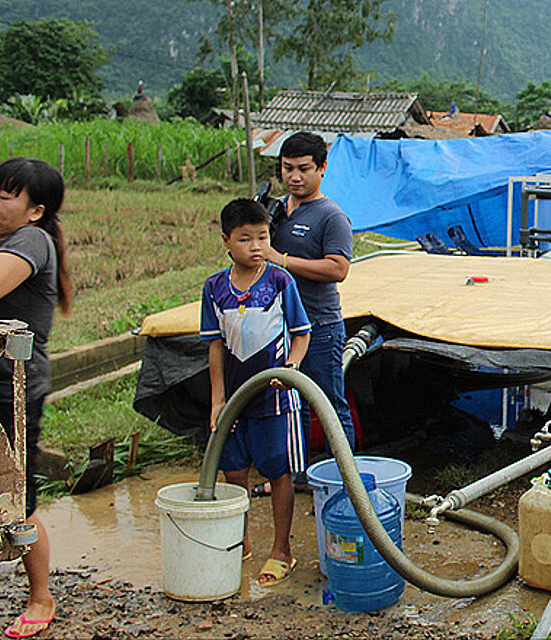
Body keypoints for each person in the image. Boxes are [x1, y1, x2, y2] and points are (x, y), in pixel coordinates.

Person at [0, 158, 73, 637]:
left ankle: (41, 597)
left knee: (15, 493)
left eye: (6, 196)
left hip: (13, 388)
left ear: (35, 211)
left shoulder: (32, 241)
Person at [201, 199, 311, 585]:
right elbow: (215, 346)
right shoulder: (215, 288)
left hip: (274, 399)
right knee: (233, 470)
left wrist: (292, 367)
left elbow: (301, 333)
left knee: (277, 470)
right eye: (245, 239)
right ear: (226, 242)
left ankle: (282, 550)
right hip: (234, 400)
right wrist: (218, 400)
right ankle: (240, 541)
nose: (256, 246)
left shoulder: (281, 282)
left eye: (262, 237)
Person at [267, 132, 354, 466]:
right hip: (279, 326)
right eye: (287, 168)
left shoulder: (331, 216)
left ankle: (345, 484)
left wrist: (283, 259)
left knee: (330, 404)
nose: (294, 177)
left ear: (322, 168)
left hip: (320, 325)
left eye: (304, 168)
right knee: (292, 404)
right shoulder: (274, 210)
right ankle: (297, 474)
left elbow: (338, 268)